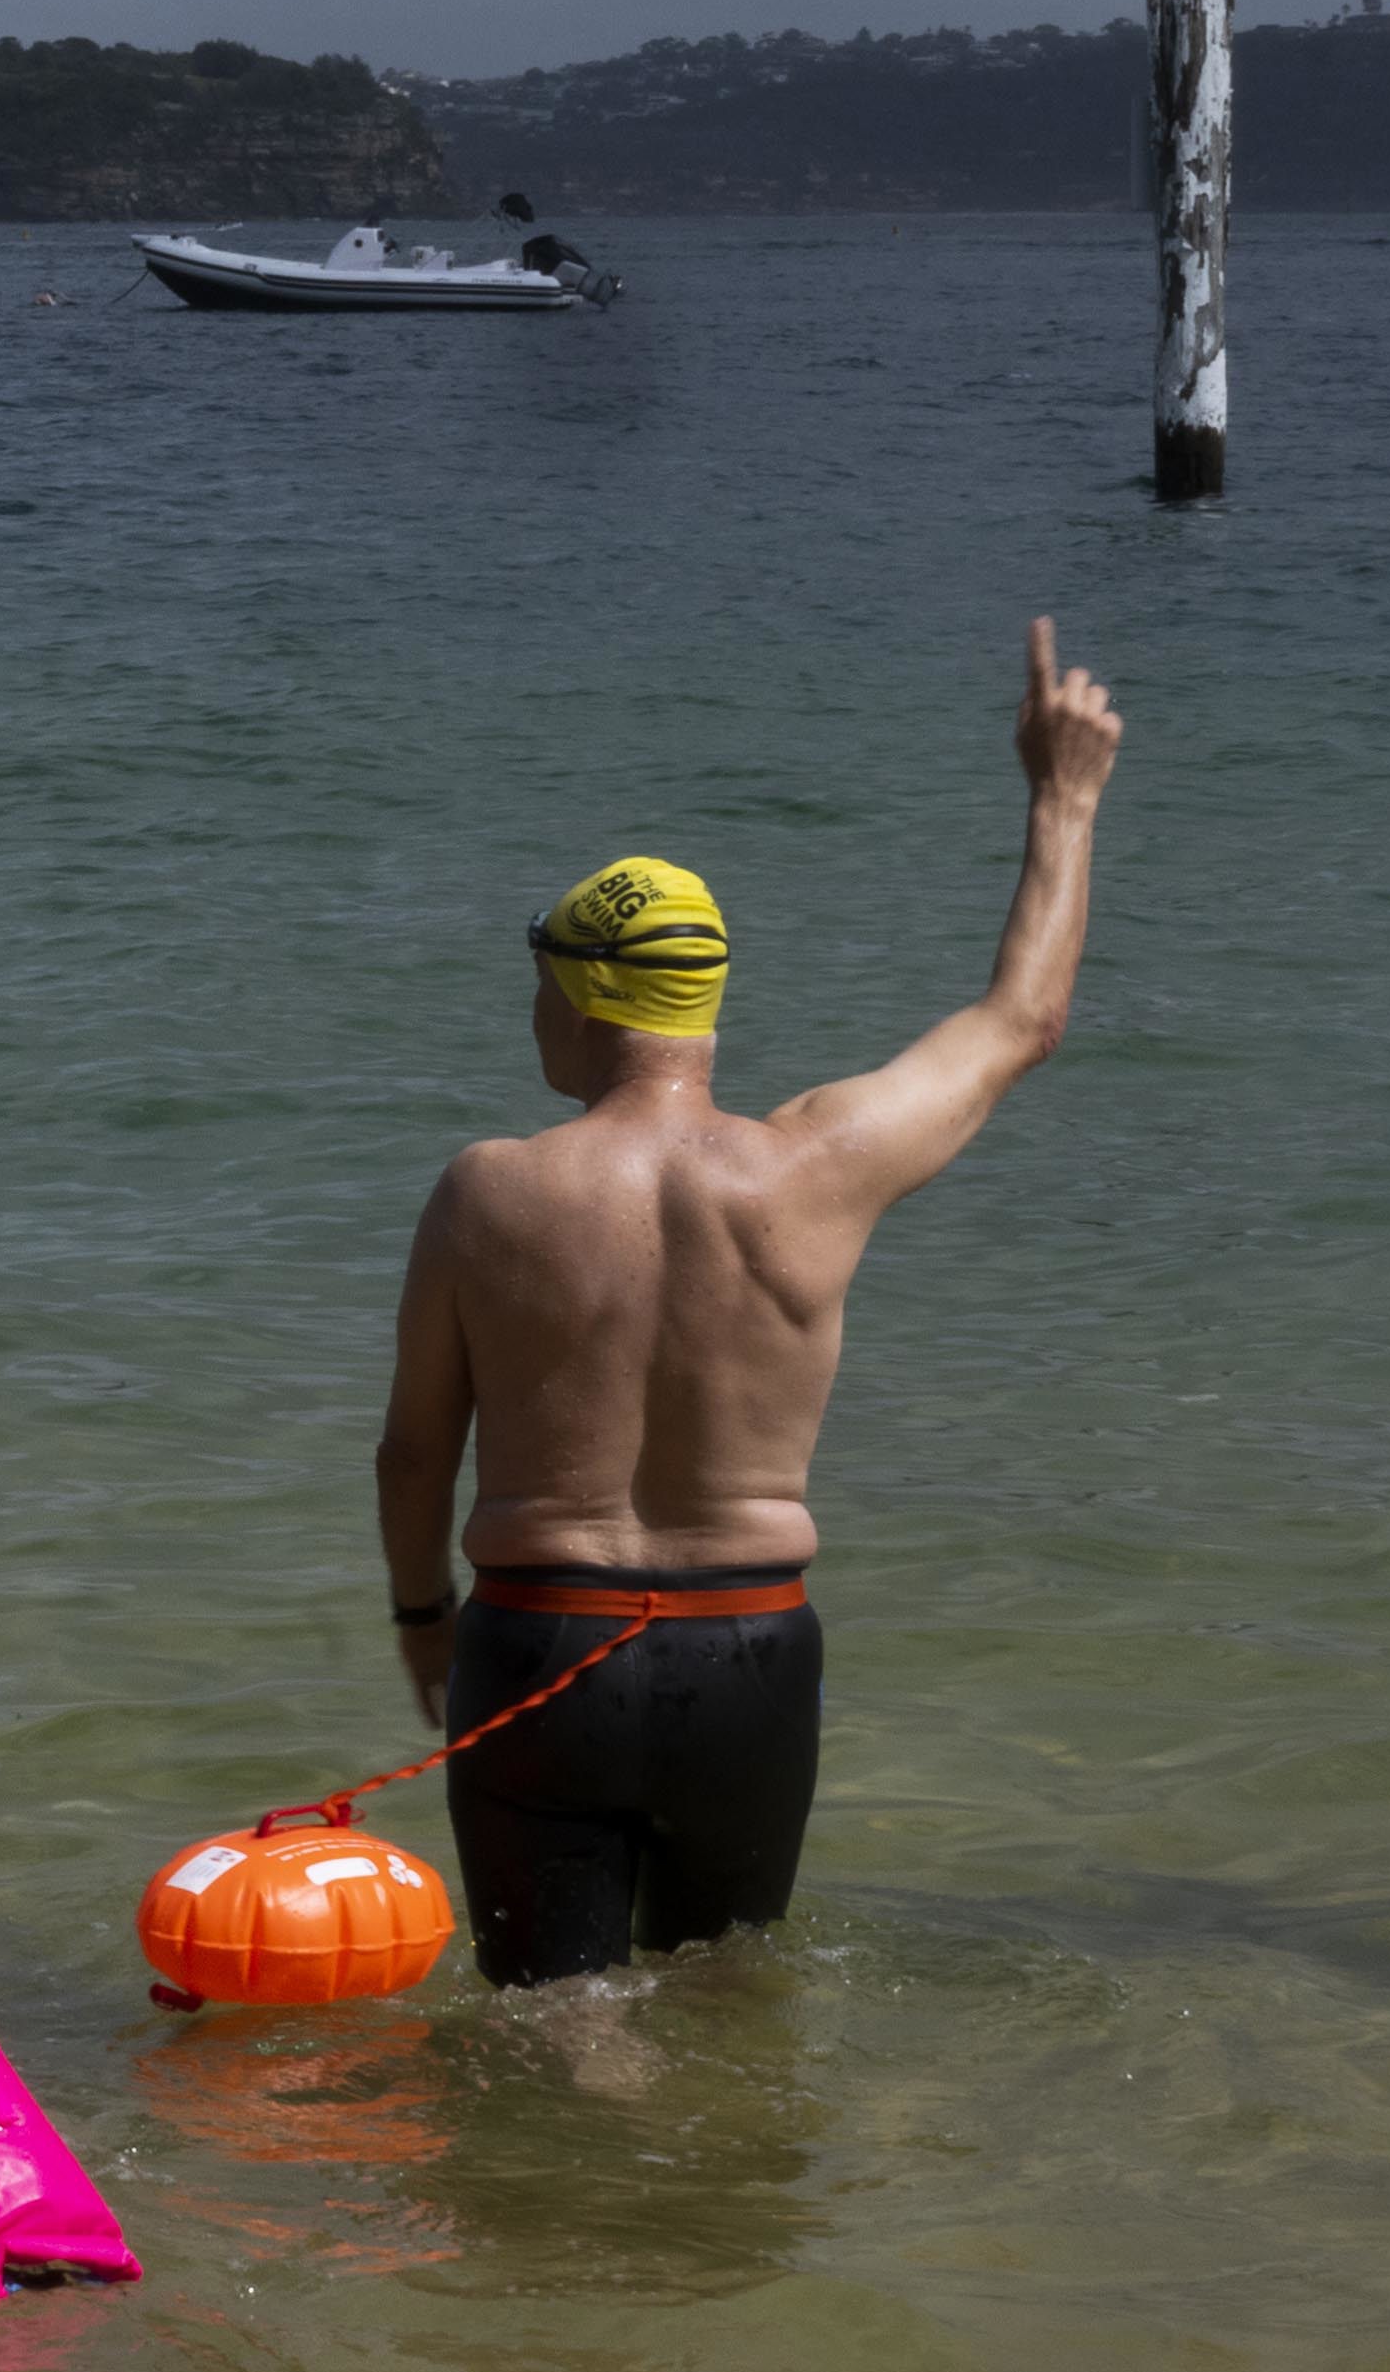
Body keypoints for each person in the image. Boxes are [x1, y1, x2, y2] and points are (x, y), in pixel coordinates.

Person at [372, 621, 1122, 1985]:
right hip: (752, 1654)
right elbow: (1024, 1017)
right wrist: (1062, 798)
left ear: (588, 996)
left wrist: (422, 1621)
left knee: (561, 2022)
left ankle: (587, 2174)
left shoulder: (486, 1193)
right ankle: (712, 2193)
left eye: (539, 976)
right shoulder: (815, 1169)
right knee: (724, 2003)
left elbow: (415, 1450)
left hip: (545, 1642)